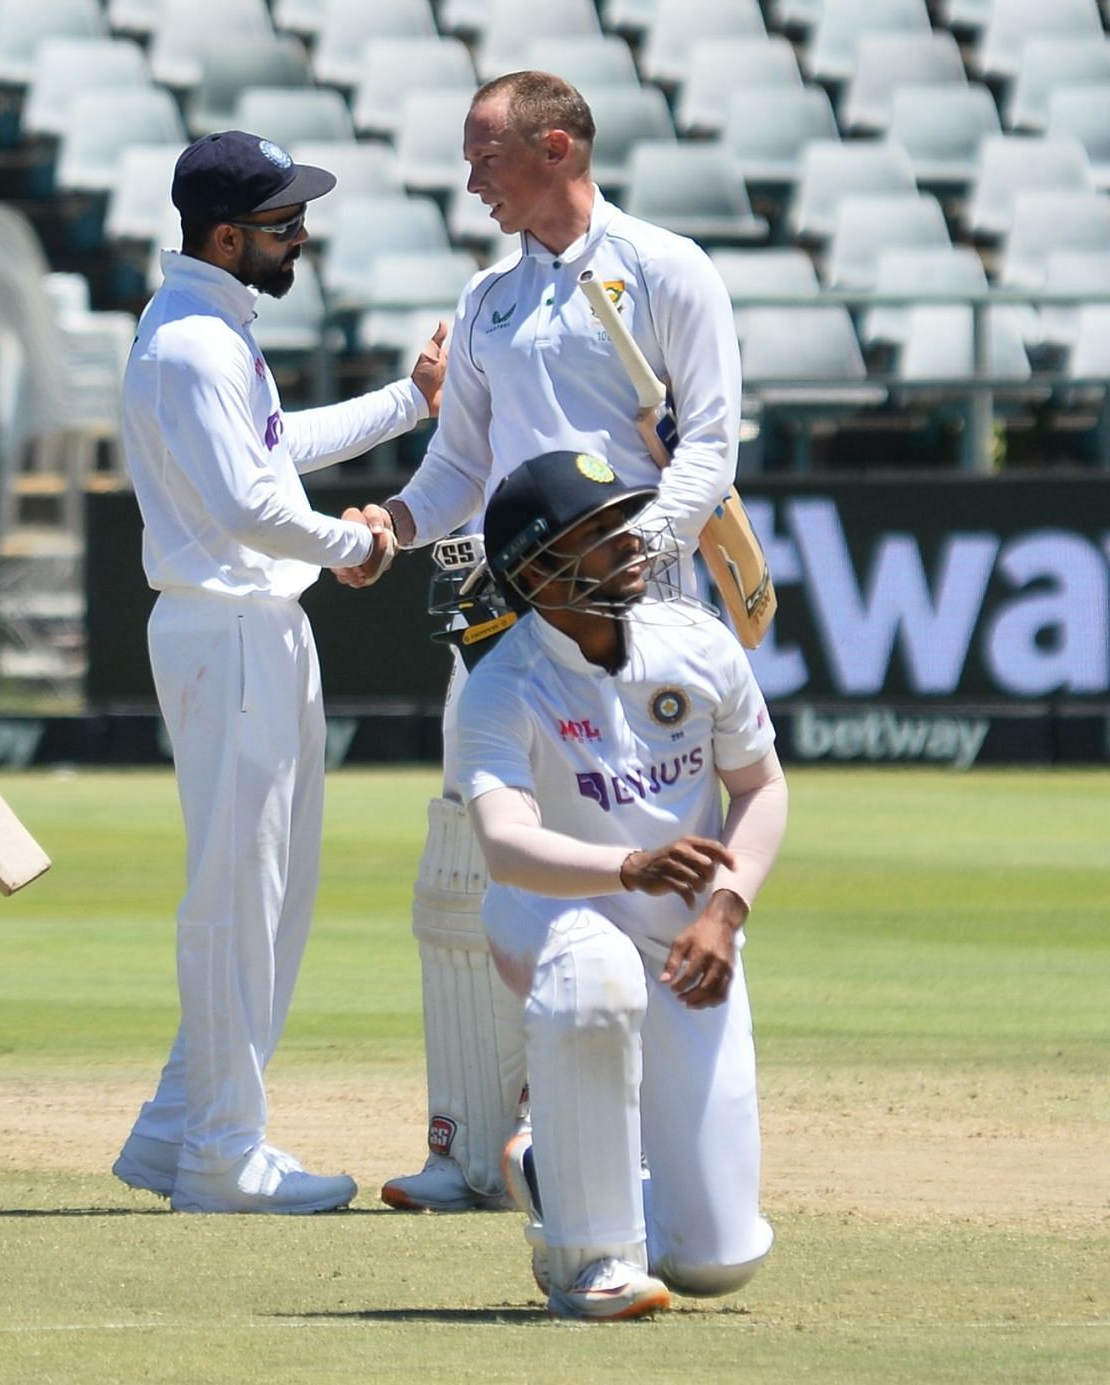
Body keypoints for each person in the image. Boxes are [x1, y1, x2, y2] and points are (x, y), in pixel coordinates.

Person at [344, 71, 744, 1214]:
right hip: (505, 613)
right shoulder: (487, 301)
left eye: (486, 155)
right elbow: (459, 466)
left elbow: (711, 446)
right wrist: (393, 526)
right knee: (476, 867)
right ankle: (472, 1142)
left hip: (645, 613)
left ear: (556, 147)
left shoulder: (666, 269)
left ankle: (639, 1148)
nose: (470, 178)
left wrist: (630, 552)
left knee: (645, 876)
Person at [111, 130, 447, 1214]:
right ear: (225, 235)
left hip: (249, 626)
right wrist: (361, 548)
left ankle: (179, 1130)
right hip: (230, 627)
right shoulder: (192, 342)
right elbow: (252, 507)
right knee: (240, 897)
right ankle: (222, 1150)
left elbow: (271, 452)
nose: (299, 237)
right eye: (281, 224)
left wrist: (408, 402)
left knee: (270, 892)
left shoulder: (211, 329)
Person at [449, 447, 785, 1319]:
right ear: (536, 568)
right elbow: (507, 844)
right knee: (595, 974)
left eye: (623, 522)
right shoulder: (500, 688)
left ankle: (551, 1167)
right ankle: (590, 1261)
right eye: (597, 534)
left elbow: (760, 787)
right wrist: (627, 866)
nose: (630, 544)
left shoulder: (698, 640)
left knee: (717, 1259)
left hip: (686, 936)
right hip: (552, 913)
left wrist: (725, 906)